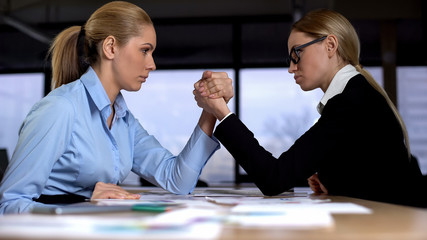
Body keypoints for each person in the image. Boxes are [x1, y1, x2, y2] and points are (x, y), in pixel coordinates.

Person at [0, 1, 233, 214]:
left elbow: (177, 180)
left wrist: (210, 110)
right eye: (144, 50)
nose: (152, 64)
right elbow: (9, 205)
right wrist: (79, 202)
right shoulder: (60, 109)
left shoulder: (123, 119)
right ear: (110, 47)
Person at [194, 9, 426, 207]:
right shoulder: (357, 93)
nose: (291, 68)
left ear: (330, 45)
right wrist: (330, 177)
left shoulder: (350, 101)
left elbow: (274, 179)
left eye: (297, 53)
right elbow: (371, 170)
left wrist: (221, 112)